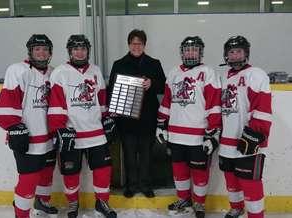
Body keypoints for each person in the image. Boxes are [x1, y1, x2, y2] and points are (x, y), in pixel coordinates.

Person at [47, 34, 116, 218]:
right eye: (76, 49)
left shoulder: (95, 71)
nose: (80, 52)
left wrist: (106, 118)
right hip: (72, 134)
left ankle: (102, 202)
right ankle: (73, 203)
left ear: (88, 51)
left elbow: (101, 100)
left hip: (96, 133)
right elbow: (56, 104)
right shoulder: (60, 72)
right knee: (71, 172)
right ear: (70, 51)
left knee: (103, 169)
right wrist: (59, 129)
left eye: (83, 48)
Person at [156, 36, 222, 218]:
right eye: (187, 49)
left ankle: (199, 204)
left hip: (198, 135)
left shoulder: (208, 72)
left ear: (200, 52)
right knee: (179, 170)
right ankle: (184, 199)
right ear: (182, 52)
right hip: (176, 135)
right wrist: (161, 123)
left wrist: (213, 132)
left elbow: (214, 104)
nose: (190, 53)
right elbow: (167, 102)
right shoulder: (173, 73)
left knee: (200, 171)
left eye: (194, 49)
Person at [0, 34, 58, 218]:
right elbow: (7, 103)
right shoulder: (17, 70)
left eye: (45, 49)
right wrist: (14, 127)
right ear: (30, 51)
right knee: (28, 179)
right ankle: (21, 214)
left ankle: (42, 202)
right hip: (28, 137)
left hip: (49, 136)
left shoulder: (53, 72)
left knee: (46, 173)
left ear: (50, 53)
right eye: (37, 49)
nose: (41, 52)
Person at [107, 29, 166, 198]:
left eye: (139, 43)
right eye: (133, 43)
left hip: (148, 117)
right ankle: (131, 185)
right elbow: (112, 89)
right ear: (128, 44)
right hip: (127, 119)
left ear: (144, 45)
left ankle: (146, 185)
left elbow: (163, 85)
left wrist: (151, 83)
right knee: (129, 154)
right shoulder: (118, 64)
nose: (136, 46)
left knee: (147, 154)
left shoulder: (154, 63)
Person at [219, 35, 272, 218]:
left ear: (246, 53)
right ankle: (236, 208)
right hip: (227, 142)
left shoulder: (255, 74)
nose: (234, 56)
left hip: (248, 141)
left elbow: (263, 108)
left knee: (250, 183)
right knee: (231, 180)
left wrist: (255, 135)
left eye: (238, 52)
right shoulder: (224, 77)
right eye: (231, 52)